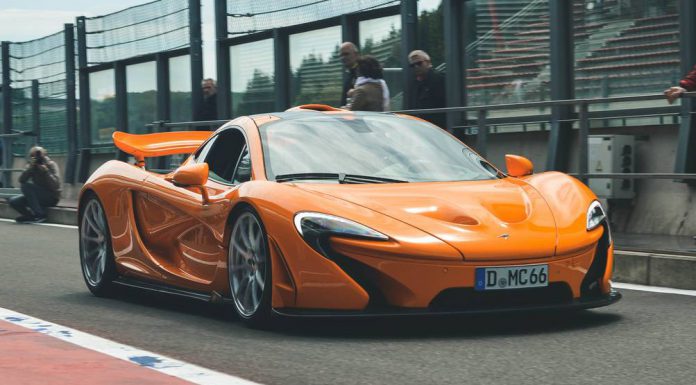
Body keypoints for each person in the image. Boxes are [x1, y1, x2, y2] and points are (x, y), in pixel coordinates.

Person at [9, 146, 61, 223]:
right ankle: (30, 216)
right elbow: (22, 180)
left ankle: (41, 215)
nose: (37, 157)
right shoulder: (32, 166)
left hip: (51, 197)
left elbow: (56, 186)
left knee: (26, 186)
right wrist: (30, 168)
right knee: (14, 201)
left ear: (44, 154)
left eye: (39, 155)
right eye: (33, 156)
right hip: (38, 196)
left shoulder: (51, 165)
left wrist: (46, 172)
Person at [408, 49, 447, 129]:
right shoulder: (413, 84)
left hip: (436, 128)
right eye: (412, 65)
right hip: (418, 128)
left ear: (428, 62)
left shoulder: (439, 80)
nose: (416, 67)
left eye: (419, 63)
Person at [339, 42, 360, 107]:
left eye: (346, 54)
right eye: (341, 55)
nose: (343, 57)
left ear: (356, 54)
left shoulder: (363, 72)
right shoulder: (350, 73)